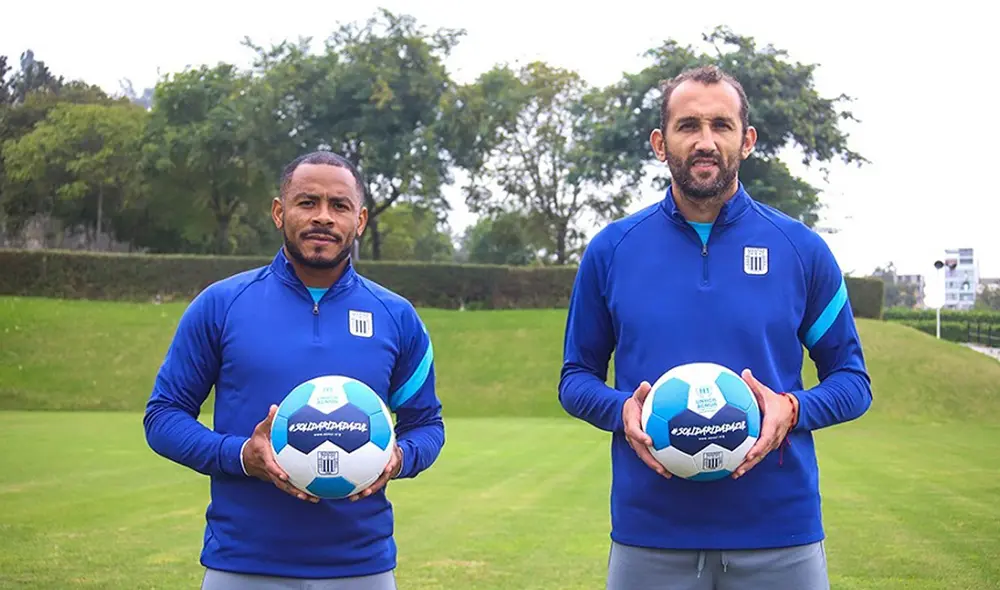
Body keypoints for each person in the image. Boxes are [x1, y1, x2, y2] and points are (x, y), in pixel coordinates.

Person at [558, 65, 873, 590]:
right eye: (688, 126)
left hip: (780, 532)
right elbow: (575, 379)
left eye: (721, 126)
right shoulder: (613, 250)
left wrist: (792, 407)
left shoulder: (800, 250)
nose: (705, 141)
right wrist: (622, 410)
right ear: (661, 143)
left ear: (746, 140)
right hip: (650, 532)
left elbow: (853, 382)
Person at [143, 150, 445, 590]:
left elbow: (427, 424)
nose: (323, 217)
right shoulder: (222, 305)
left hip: (362, 568)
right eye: (307, 202)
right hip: (242, 564)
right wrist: (241, 456)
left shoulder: (396, 316)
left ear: (359, 221)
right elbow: (163, 416)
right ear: (279, 212)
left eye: (339, 206)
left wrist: (399, 457)